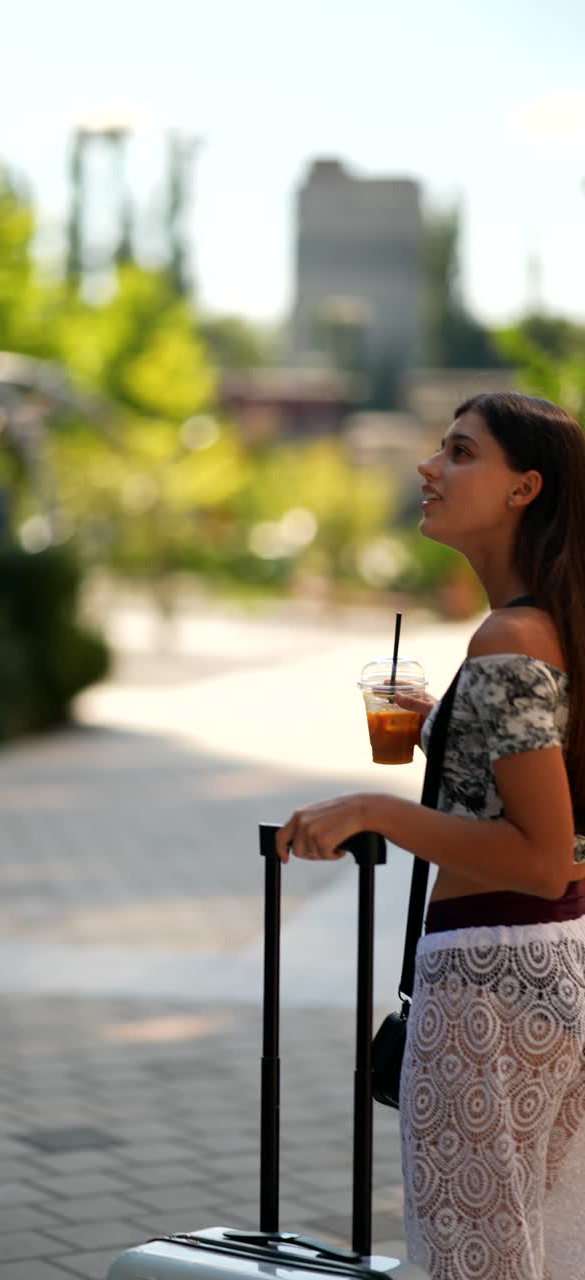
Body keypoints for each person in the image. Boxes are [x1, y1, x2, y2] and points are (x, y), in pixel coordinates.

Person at [276, 391, 585, 1280]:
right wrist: (449, 741)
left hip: (489, 983)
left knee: (471, 1263)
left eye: (458, 452)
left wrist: (376, 809)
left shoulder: (508, 639)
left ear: (525, 487)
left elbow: (534, 856)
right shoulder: (557, 628)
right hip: (554, 967)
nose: (428, 467)